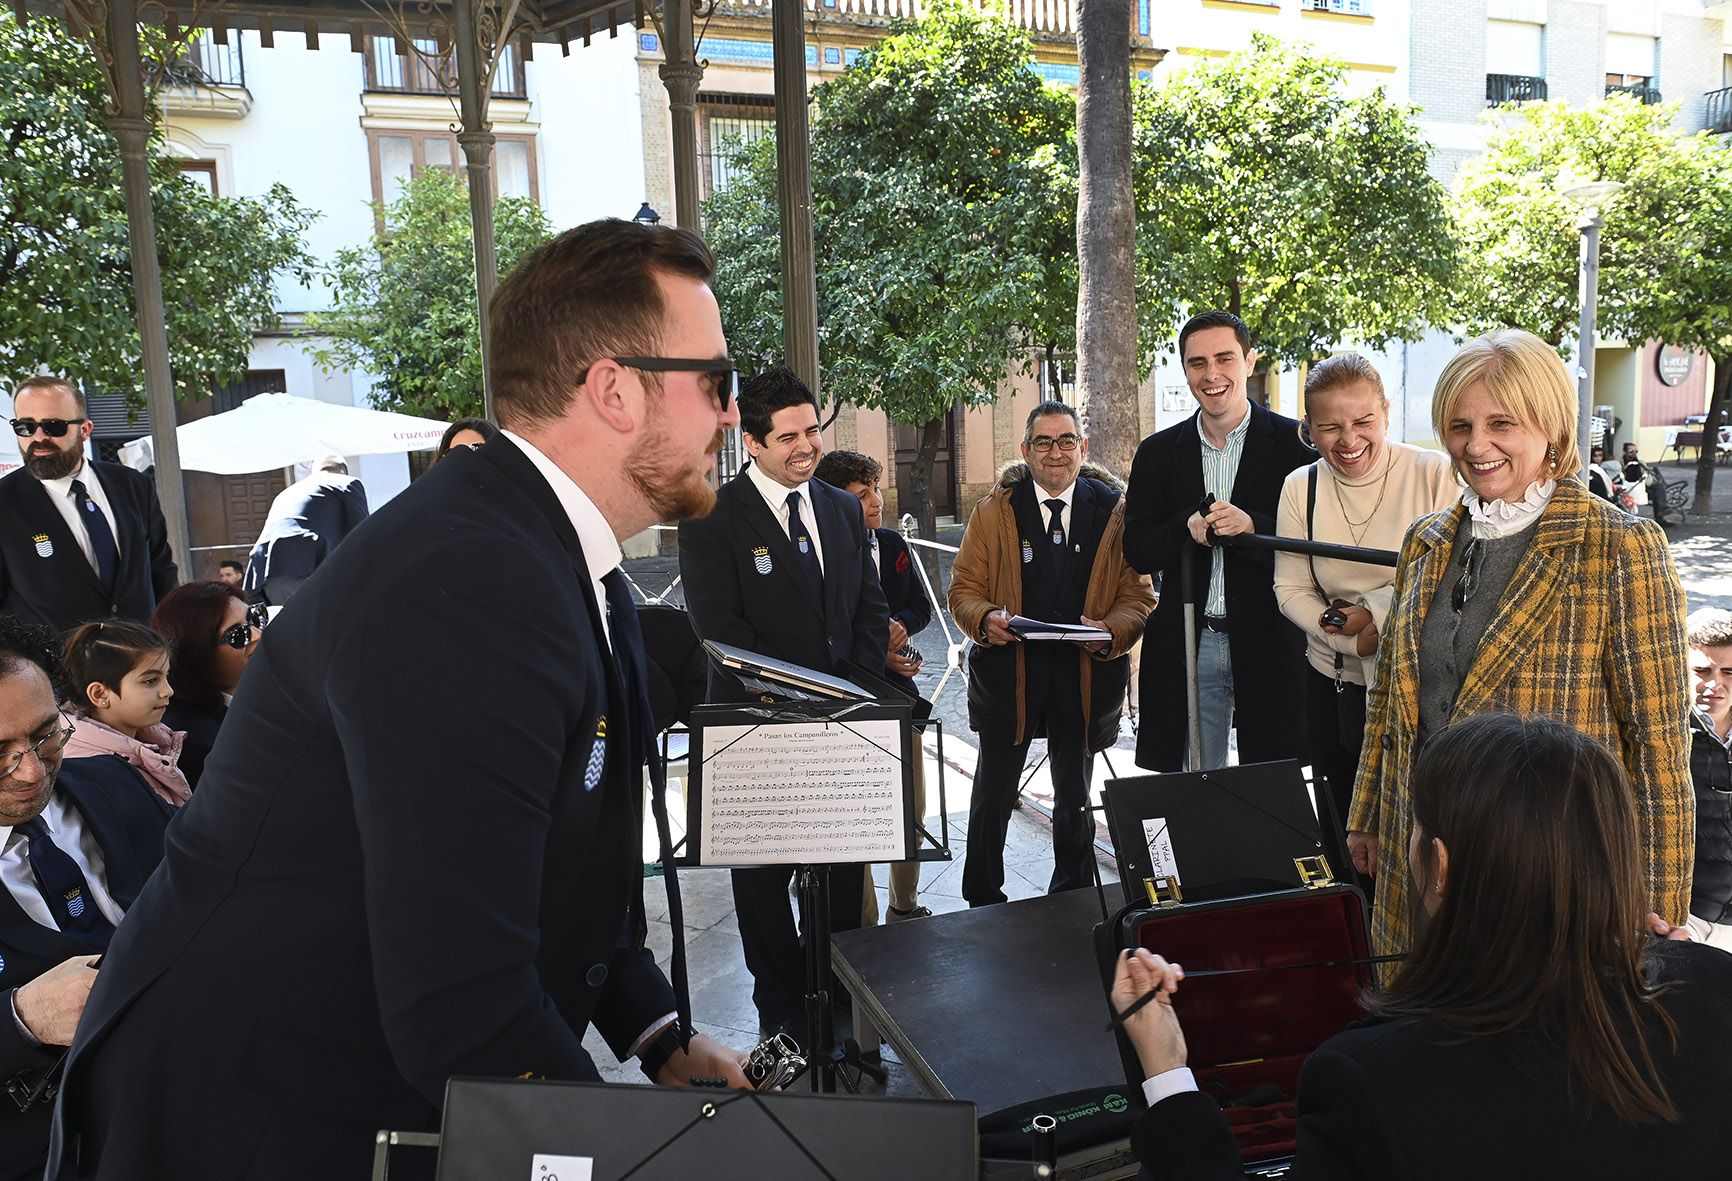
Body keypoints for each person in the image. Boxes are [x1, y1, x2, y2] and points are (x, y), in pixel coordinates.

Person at [50, 218, 750, 1180]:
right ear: (615, 389)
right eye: (716, 381)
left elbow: (549, 859)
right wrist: (618, 1156)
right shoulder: (471, 578)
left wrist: (656, 1029)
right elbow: (460, 993)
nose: (727, 415)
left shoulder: (541, 549)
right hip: (258, 1114)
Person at [1116, 713, 1732, 1181]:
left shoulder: (1373, 1081)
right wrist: (1684, 972)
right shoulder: (1713, 987)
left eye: (1413, 829)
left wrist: (1169, 1076)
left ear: (1439, 862)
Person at [1346, 328, 1693, 961]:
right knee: (1422, 1032)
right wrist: (1367, 810)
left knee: (1529, 1048)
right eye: (1458, 426)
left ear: (1552, 426)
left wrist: (1656, 907)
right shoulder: (1427, 541)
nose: (1476, 446)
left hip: (1547, 871)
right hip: (1421, 851)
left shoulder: (1617, 547)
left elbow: (1659, 745)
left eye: (1501, 422)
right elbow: (1391, 702)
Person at [677, 366, 890, 1041]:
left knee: (842, 869)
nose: (807, 445)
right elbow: (721, 630)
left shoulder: (840, 507)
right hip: (755, 733)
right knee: (764, 885)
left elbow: (866, 607)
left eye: (813, 430)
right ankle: (782, 1007)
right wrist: (799, 703)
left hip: (842, 729)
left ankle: (839, 992)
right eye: (790, 435)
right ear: (752, 441)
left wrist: (849, 691)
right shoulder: (712, 517)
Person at [948, 402, 1154, 907]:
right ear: (1025, 450)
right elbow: (963, 589)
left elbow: (1139, 596)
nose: (1055, 452)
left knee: (1074, 797)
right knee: (993, 794)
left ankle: (1071, 894)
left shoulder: (1113, 512)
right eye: (1043, 442)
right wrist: (983, 620)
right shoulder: (995, 510)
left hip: (1083, 679)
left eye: (1066, 441)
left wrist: (1111, 631)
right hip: (1008, 675)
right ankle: (981, 894)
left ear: (1083, 448)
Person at [0, 614, 174, 1181]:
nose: (29, 770)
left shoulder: (114, 782)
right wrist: (22, 1019)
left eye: (46, 734)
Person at [1273, 355, 1456, 883]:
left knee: (1411, 830)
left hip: (1414, 690)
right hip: (1332, 682)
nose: (1347, 440)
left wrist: (1374, 612)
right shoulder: (1298, 487)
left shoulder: (1432, 474)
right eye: (1329, 427)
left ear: (1386, 413)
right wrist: (1351, 638)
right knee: (1341, 831)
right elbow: (1289, 588)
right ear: (1308, 428)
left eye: (1362, 423)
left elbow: (1448, 579)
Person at [1123, 311, 1312, 771]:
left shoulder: (1295, 445)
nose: (1211, 375)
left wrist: (1254, 528)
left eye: (1224, 358)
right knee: (1195, 787)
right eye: (1197, 363)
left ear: (1248, 361)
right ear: (1184, 369)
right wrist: (1183, 528)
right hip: (1190, 640)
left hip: (1270, 638)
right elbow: (1138, 548)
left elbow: (1316, 539)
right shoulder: (1158, 453)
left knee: (1269, 786)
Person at [814, 449, 934, 923]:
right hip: (850, 701)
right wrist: (875, 649)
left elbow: (921, 607)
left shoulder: (893, 545)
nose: (876, 502)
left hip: (902, 701)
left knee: (912, 808)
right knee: (860, 820)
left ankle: (904, 906)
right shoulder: (824, 552)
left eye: (877, 490)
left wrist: (901, 626)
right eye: (861, 495)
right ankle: (862, 925)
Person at [0, 377, 177, 634]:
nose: (38, 438)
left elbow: (161, 572)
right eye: (25, 426)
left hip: (142, 660)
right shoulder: (5, 503)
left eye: (53, 426)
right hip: (56, 669)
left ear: (85, 430)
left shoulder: (133, 486)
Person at [59, 621, 190, 806]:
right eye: (151, 681)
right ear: (100, 694)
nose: (168, 691)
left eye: (166, 676)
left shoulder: (154, 741)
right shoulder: (88, 770)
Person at [147, 582, 260, 791]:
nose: (257, 635)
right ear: (197, 652)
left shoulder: (258, 698)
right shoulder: (193, 740)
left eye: (254, 618)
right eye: (238, 634)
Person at [242, 455, 370, 606]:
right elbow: (364, 533)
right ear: (343, 471)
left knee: (292, 627)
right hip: (310, 565)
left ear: (313, 471)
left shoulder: (287, 492)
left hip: (266, 570)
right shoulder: (347, 482)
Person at [1685, 607, 1732, 948]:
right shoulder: (1662, 737)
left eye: (1729, 671)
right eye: (1702, 670)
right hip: (1684, 918)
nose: (1715, 684)